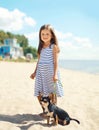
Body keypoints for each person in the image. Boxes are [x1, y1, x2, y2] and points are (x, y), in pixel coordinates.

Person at [30, 24, 64, 112]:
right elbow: (39, 61)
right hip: (40, 73)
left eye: (47, 34)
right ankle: (45, 110)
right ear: (40, 35)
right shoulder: (40, 47)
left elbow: (56, 62)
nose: (44, 36)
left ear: (52, 35)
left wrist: (55, 74)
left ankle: (53, 111)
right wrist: (34, 72)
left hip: (50, 73)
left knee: (51, 93)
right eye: (43, 34)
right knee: (38, 92)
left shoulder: (53, 47)